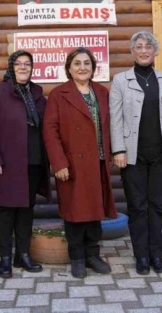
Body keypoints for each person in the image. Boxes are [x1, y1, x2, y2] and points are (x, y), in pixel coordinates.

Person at [109, 31, 162, 275]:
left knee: (158, 205)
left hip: (161, 153)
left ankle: (156, 254)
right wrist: (118, 149)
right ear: (132, 52)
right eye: (139, 47)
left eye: (148, 46)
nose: (143, 51)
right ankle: (141, 256)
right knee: (137, 206)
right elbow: (115, 118)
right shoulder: (121, 80)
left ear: (155, 52)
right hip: (133, 155)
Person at [43, 47, 117, 278]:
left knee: (95, 210)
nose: (82, 67)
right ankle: (77, 258)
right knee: (75, 212)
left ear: (93, 68)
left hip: (98, 161)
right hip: (72, 163)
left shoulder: (102, 92)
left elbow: (110, 125)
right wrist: (59, 163)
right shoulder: (59, 94)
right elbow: (50, 131)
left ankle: (93, 255)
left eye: (87, 63)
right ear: (69, 68)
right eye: (77, 63)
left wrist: (113, 153)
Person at [0, 50, 51, 279]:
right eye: (18, 63)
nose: (23, 67)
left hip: (33, 162)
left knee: (26, 211)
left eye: (27, 64)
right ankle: (4, 258)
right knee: (4, 212)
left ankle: (23, 255)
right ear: (11, 67)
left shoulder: (37, 95)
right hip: (5, 164)